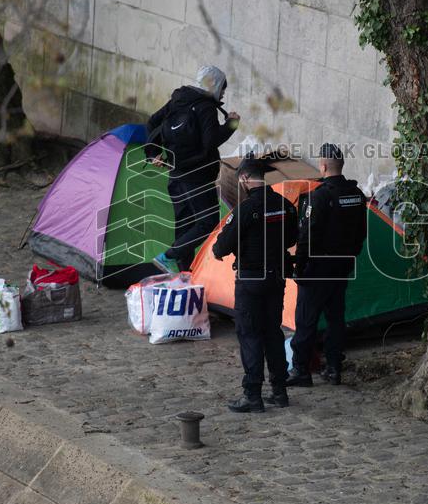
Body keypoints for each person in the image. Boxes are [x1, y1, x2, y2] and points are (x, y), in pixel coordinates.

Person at [212, 157, 299, 413]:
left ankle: (252, 395)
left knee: (250, 334)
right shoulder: (284, 205)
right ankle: (279, 391)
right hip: (276, 278)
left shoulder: (246, 209)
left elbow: (222, 246)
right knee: (272, 332)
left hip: (251, 280)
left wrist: (224, 250)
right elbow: (292, 238)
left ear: (245, 179)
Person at [287, 143, 367, 387]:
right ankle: (333, 368)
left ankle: (301, 370)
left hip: (317, 269)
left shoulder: (319, 196)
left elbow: (306, 237)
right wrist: (350, 257)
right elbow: (361, 233)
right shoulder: (357, 194)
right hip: (342, 267)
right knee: (335, 319)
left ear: (322, 166)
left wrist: (299, 267)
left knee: (306, 320)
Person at [146, 65, 240, 273]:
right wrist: (232, 124)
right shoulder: (206, 107)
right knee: (208, 222)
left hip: (175, 175)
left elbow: (152, 122)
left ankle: (182, 273)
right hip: (197, 177)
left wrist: (153, 154)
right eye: (222, 89)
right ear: (214, 85)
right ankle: (168, 256)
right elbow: (211, 142)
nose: (223, 94)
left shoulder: (178, 100)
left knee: (184, 226)